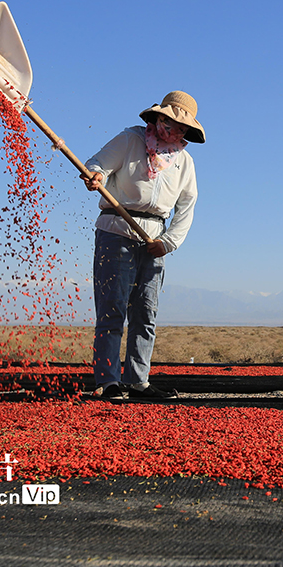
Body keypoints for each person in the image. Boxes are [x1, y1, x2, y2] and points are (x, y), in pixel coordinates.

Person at [81, 91, 203, 399]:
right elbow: (97, 162)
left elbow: (188, 203)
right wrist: (95, 174)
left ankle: (138, 381)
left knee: (145, 312)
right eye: (170, 122)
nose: (174, 130)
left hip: (154, 241)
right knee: (112, 310)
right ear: (158, 118)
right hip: (116, 230)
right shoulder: (130, 141)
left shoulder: (183, 161)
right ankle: (108, 381)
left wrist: (169, 242)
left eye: (181, 127)